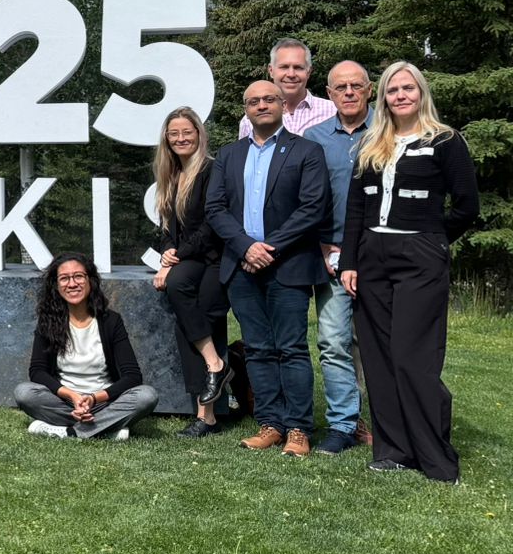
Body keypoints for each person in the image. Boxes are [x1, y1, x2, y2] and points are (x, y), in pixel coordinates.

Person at [341, 61, 479, 483]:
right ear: (382, 97)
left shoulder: (446, 141)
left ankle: (436, 458)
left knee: (412, 356)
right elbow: (355, 211)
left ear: (421, 93)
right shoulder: (371, 144)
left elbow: (467, 207)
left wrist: (432, 240)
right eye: (392, 90)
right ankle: (395, 451)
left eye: (408, 89)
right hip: (371, 256)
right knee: (379, 358)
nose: (400, 96)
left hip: (419, 253)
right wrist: (349, 261)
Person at [206, 80, 330, 456]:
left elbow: (312, 208)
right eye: (253, 101)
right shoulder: (228, 155)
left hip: (288, 266)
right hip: (241, 266)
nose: (262, 105)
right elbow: (216, 208)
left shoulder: (307, 151)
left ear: (282, 105)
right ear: (245, 109)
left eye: (269, 99)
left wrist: (268, 248)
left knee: (291, 348)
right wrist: (246, 246)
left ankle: (298, 429)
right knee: (258, 348)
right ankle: (271, 424)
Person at [300, 60, 375, 454]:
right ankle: (343, 423)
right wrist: (321, 245)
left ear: (369, 89)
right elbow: (308, 201)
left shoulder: (388, 130)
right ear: (329, 94)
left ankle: (388, 420)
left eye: (356, 86)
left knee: (382, 342)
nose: (348, 92)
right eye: (340, 87)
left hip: (381, 257)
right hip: (331, 257)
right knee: (333, 342)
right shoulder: (314, 139)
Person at [150, 106, 234, 438]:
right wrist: (167, 252)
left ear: (199, 134)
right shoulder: (170, 175)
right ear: (166, 140)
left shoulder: (212, 171)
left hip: (214, 257)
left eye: (187, 132)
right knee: (182, 300)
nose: (181, 138)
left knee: (200, 315)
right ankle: (213, 382)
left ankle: (208, 406)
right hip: (190, 258)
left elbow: (211, 226)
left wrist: (174, 258)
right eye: (174, 133)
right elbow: (167, 229)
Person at [14, 251, 158, 440]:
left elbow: (132, 376)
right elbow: (37, 371)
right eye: (64, 278)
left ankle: (70, 432)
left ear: (90, 280)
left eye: (78, 276)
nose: (72, 284)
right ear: (56, 286)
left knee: (147, 396)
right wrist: (72, 396)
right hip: (64, 402)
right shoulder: (47, 321)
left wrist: (93, 398)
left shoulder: (110, 321)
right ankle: (106, 428)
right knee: (24, 392)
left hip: (103, 402)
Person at [236, 37, 335, 139]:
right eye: (284, 67)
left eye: (298, 67)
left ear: (308, 72)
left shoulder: (332, 111)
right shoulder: (251, 120)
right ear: (271, 71)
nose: (291, 74)